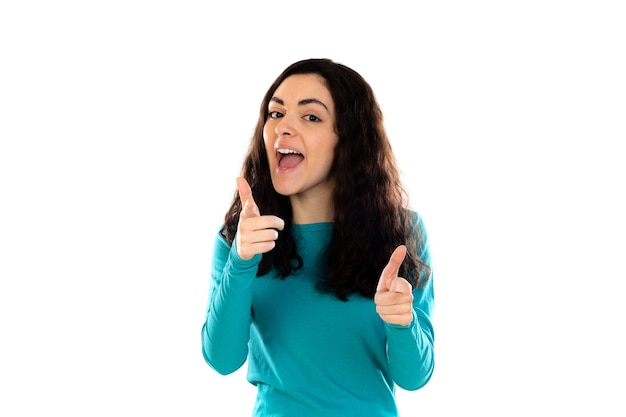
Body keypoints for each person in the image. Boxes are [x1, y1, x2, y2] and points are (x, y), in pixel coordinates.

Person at [201, 58, 434, 416]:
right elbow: (222, 358)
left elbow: (415, 377)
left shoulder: (401, 233)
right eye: (276, 114)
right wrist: (242, 261)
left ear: (348, 139)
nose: (283, 128)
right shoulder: (241, 236)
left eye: (310, 117)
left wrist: (403, 323)